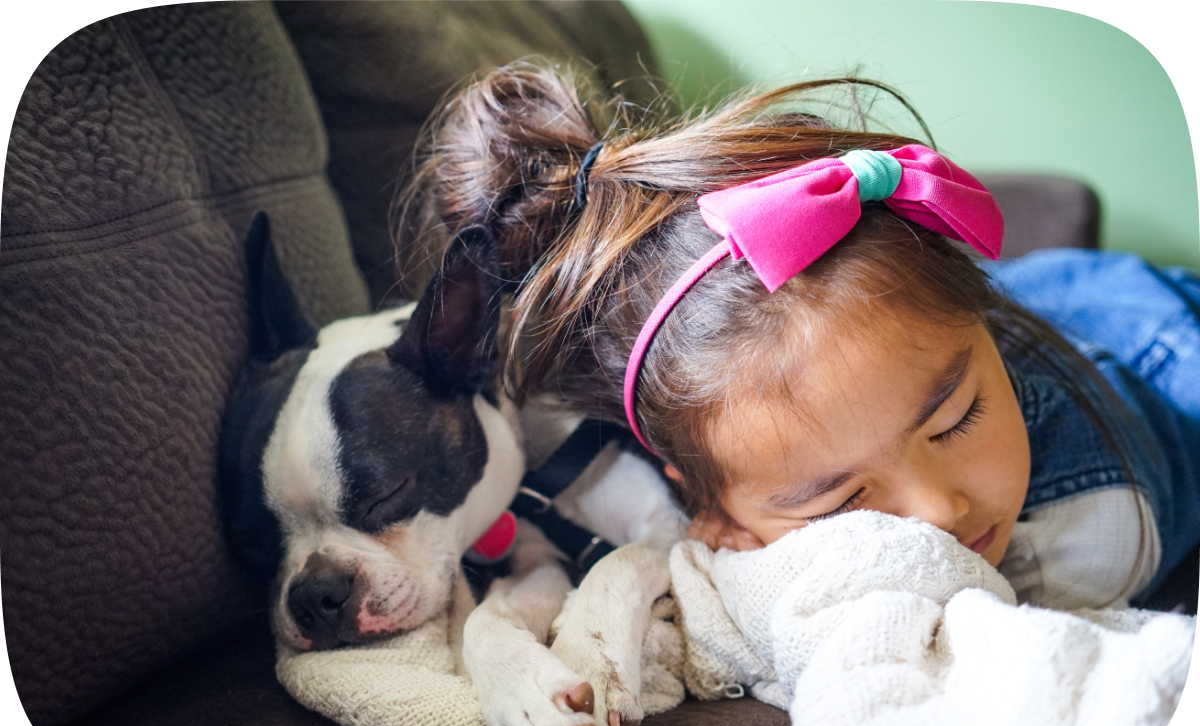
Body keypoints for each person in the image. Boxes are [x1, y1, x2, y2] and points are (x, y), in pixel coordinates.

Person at [399, 62, 1200, 611]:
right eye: (839, 500)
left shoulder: (1096, 530)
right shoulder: (705, 423)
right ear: (708, 508)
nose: (939, 509)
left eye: (957, 417)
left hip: (1153, 335)